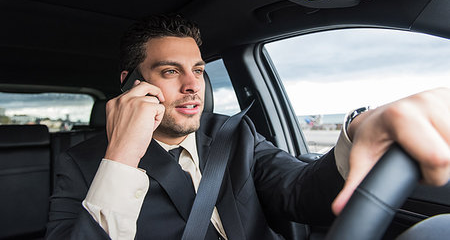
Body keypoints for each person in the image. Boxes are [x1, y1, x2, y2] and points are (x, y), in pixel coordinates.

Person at [46, 14, 450, 239]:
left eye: (199, 72)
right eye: (171, 71)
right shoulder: (83, 163)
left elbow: (300, 193)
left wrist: (361, 128)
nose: (192, 86)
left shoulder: (233, 135)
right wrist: (121, 159)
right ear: (132, 83)